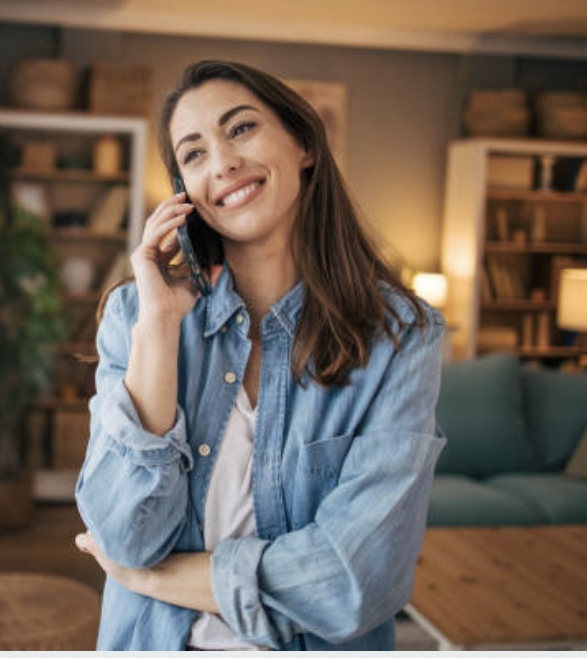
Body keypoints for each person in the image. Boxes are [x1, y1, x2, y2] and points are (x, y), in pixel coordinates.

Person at [73, 60, 447, 651]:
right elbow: (124, 535)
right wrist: (161, 330)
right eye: (192, 154)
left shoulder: (400, 336)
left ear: (302, 143)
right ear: (184, 194)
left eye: (240, 129)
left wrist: (152, 578)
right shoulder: (137, 317)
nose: (221, 163)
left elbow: (354, 581)